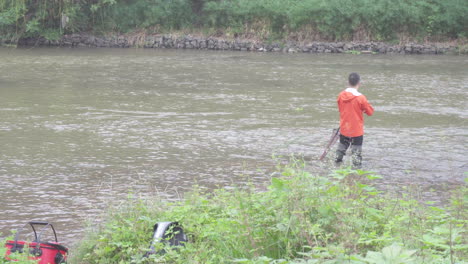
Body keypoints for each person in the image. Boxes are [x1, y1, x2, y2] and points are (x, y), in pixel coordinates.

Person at [335, 73, 374, 168]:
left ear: (348, 82)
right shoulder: (361, 98)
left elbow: (341, 110)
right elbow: (370, 112)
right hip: (356, 130)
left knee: (340, 151)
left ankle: (336, 167)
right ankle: (356, 175)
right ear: (359, 83)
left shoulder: (341, 95)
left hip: (344, 127)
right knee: (356, 156)